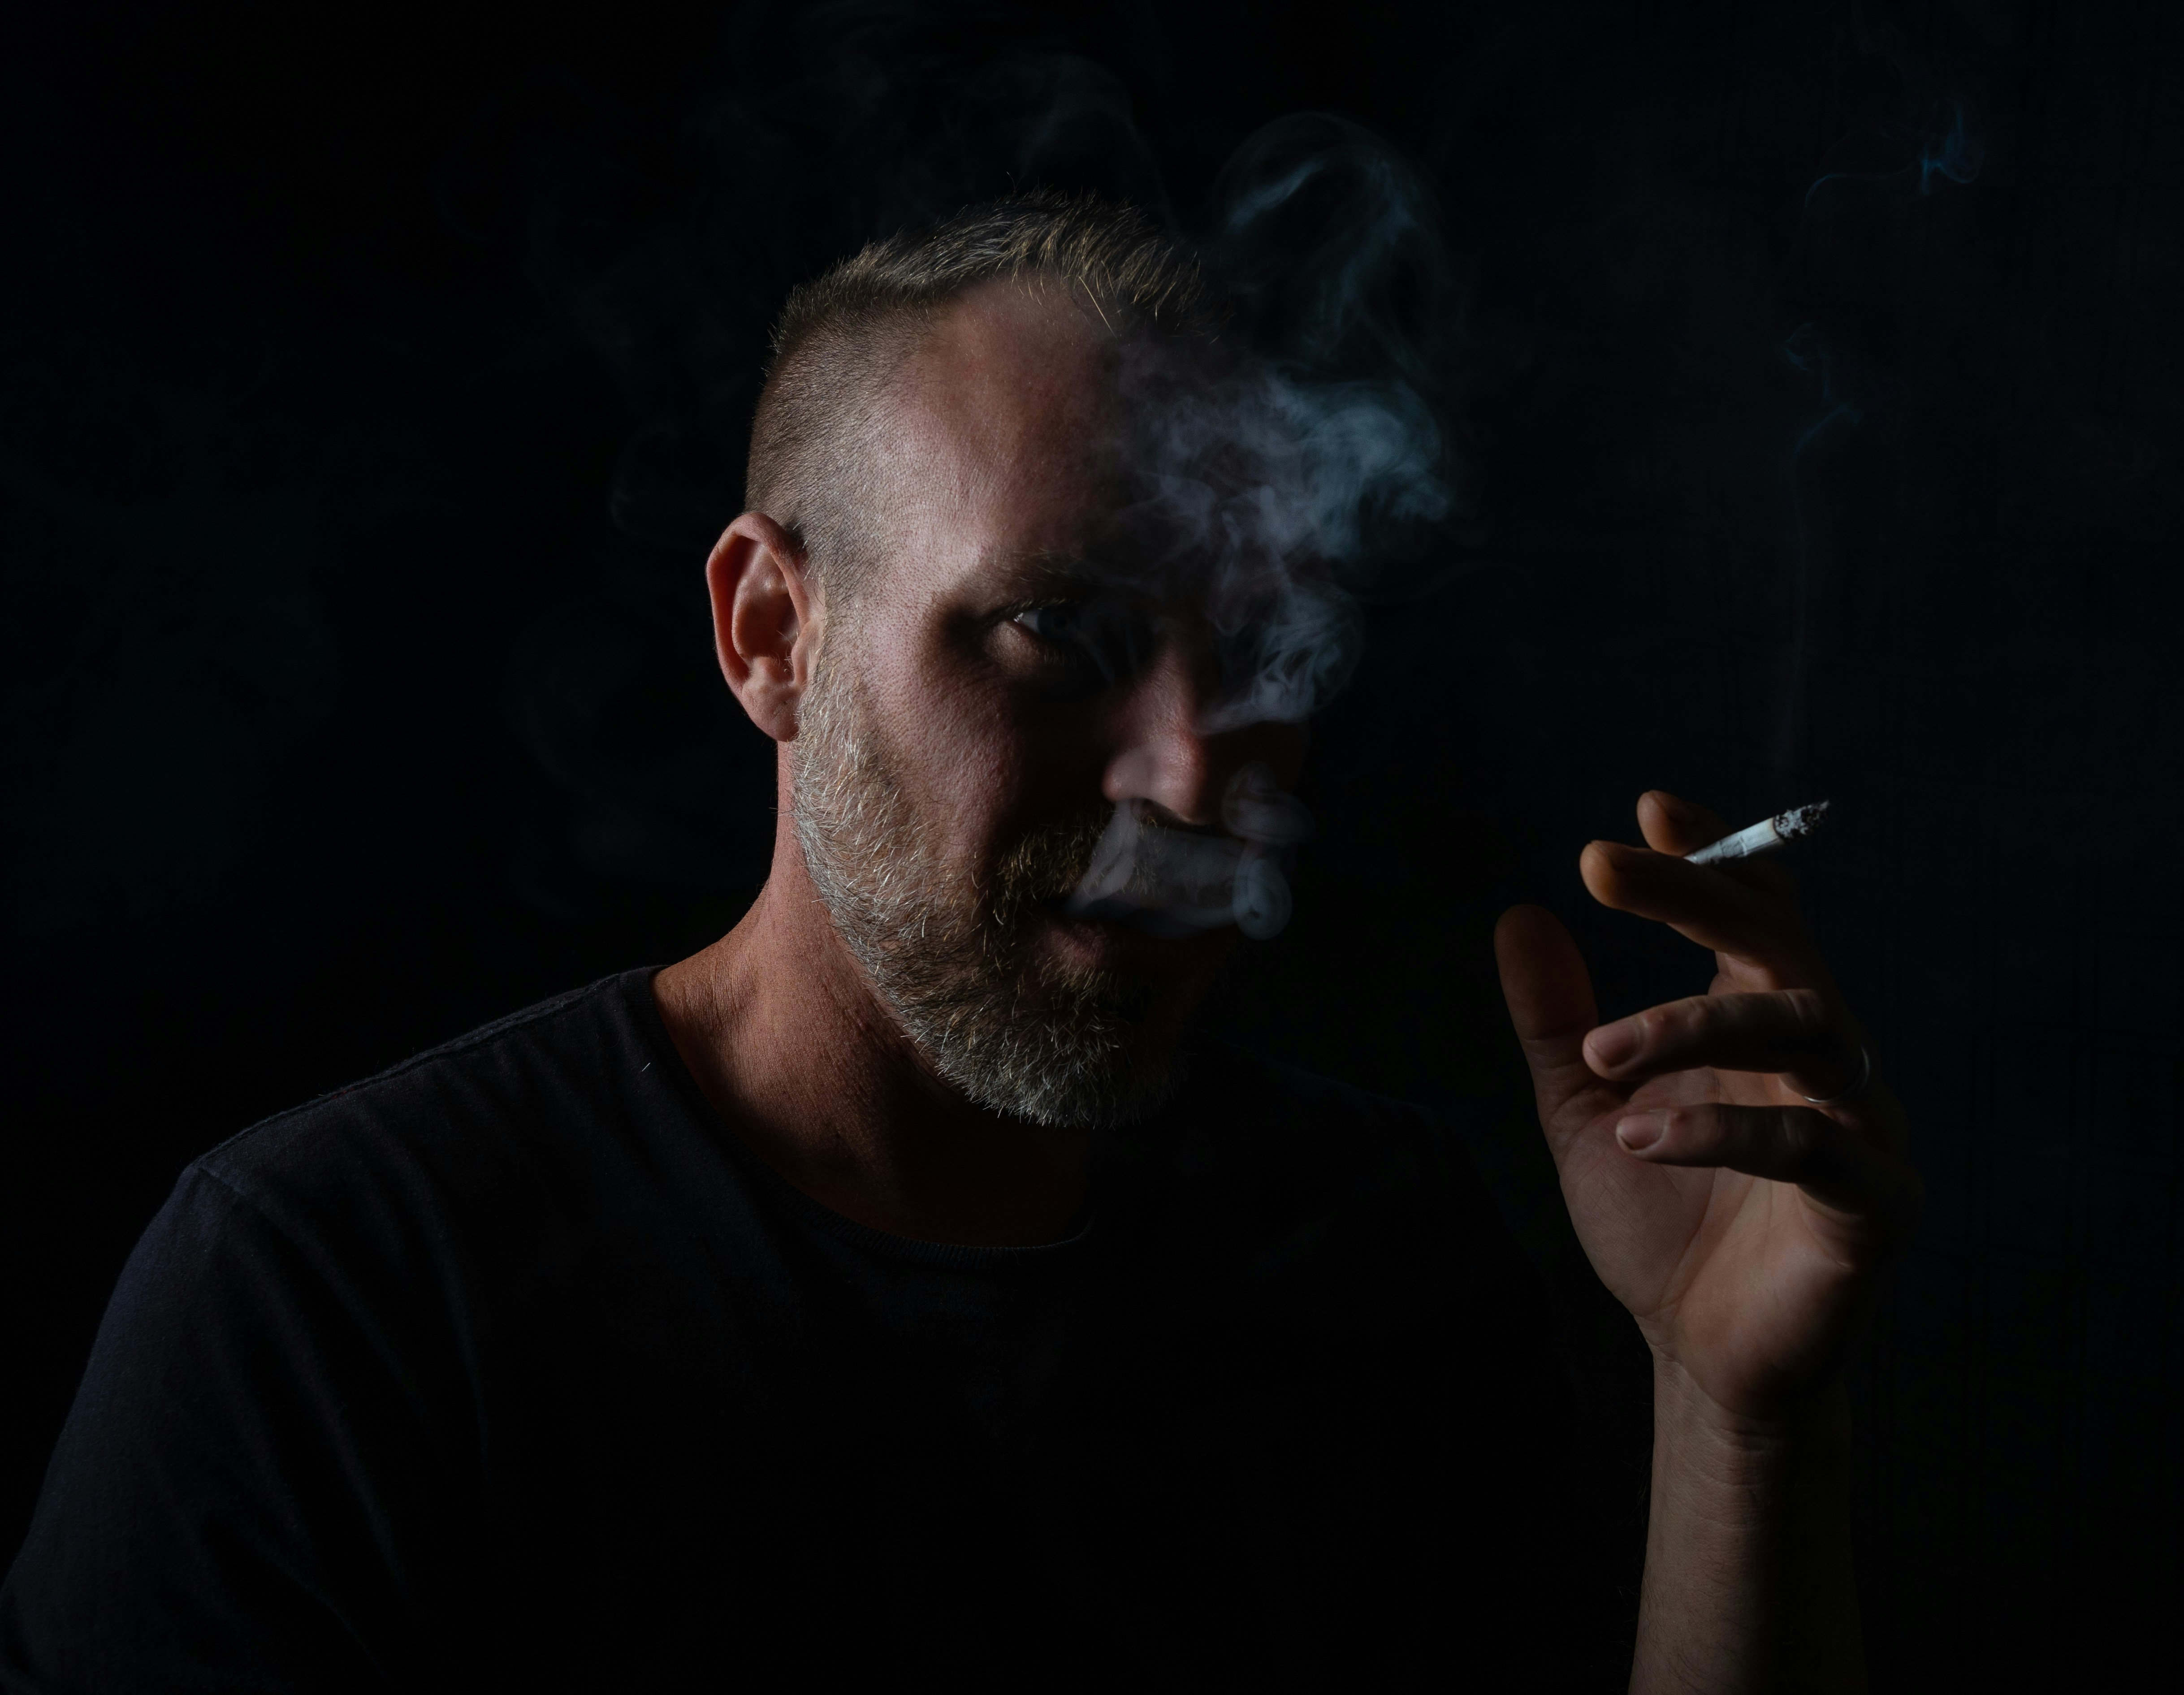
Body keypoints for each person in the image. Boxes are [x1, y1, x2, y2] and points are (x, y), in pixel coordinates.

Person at [0, 195, 1916, 1693]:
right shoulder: (332, 1299)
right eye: (1056, 632)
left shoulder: (1383, 1257)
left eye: (1258, 655)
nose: (1191, 774)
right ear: (771, 633)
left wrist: (1729, 1417)